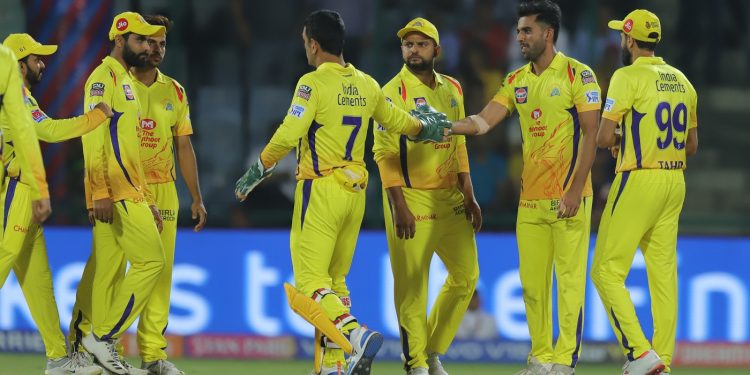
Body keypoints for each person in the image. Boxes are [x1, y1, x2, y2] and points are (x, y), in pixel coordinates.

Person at [234, 10, 451, 375]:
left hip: (319, 189)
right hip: (356, 193)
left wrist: (257, 171)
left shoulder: (313, 83)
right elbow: (399, 121)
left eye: (306, 43)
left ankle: (355, 335)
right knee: (334, 283)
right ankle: (334, 365)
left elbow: (289, 132)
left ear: (314, 45)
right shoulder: (366, 83)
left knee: (309, 284)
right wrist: (426, 128)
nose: (306, 48)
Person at [448, 1, 601, 374]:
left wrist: (573, 190)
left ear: (548, 34)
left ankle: (564, 362)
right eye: (518, 31)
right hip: (530, 202)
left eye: (526, 31)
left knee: (568, 285)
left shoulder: (579, 76)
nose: (519, 37)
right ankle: (540, 359)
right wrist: (442, 127)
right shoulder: (517, 80)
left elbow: (592, 135)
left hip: (569, 199)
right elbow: (484, 122)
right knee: (532, 287)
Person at [591, 9, 698, 375]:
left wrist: (621, 138)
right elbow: (692, 145)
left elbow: (604, 137)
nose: (622, 40)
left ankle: (640, 353)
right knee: (663, 276)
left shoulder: (626, 75)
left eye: (623, 35)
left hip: (639, 179)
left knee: (605, 270)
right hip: (675, 182)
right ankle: (663, 361)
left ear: (631, 40)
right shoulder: (683, 81)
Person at [0, 33, 113, 375]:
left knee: (38, 281)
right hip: (14, 192)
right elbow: (47, 131)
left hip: (26, 190)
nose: (42, 63)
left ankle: (57, 359)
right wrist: (95, 117)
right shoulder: (14, 92)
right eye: (36, 58)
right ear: (19, 64)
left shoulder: (19, 94)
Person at [373, 17, 480, 375]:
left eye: (421, 44)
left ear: (437, 49)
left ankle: (432, 351)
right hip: (411, 196)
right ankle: (415, 363)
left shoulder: (453, 88)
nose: (413, 50)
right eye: (408, 44)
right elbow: (384, 153)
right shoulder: (391, 92)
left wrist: (469, 191)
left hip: (450, 196)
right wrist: (398, 205)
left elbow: (459, 142)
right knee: (412, 286)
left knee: (466, 277)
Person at [69, 12, 167, 375]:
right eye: (140, 40)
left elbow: (129, 148)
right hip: (115, 191)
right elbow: (92, 136)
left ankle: (90, 358)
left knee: (108, 272)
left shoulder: (125, 81)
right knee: (152, 262)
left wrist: (150, 200)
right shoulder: (102, 79)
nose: (147, 46)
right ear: (120, 40)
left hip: (129, 190)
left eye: (150, 41)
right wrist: (99, 192)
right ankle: (103, 338)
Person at [130, 14, 206, 375]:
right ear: (138, 43)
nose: (157, 49)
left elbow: (184, 146)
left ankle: (153, 355)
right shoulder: (118, 83)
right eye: (150, 42)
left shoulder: (174, 90)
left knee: (161, 274)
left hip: (164, 191)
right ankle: (101, 344)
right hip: (126, 188)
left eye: (162, 44)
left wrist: (196, 196)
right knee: (116, 269)